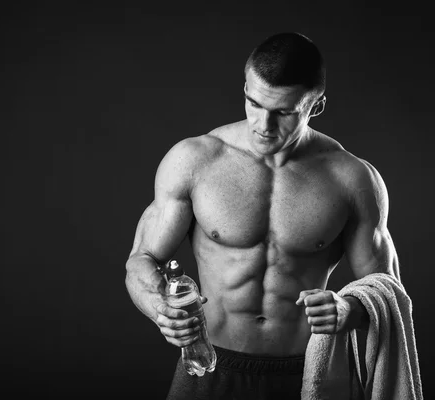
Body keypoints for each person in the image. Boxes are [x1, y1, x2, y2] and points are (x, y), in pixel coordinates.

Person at [125, 32, 401, 400]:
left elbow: (387, 290)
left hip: (307, 374)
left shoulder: (352, 180)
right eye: (253, 102)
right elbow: (141, 261)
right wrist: (160, 307)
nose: (263, 125)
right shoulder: (194, 161)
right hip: (208, 364)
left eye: (284, 112)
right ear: (245, 87)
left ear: (315, 105)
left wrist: (348, 310)